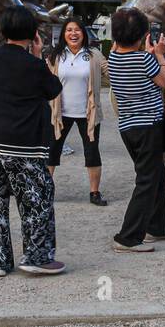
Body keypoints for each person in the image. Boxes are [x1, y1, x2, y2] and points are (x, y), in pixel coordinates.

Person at [0, 6, 65, 275]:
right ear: (33, 33)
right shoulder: (33, 66)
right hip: (21, 143)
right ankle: (37, 257)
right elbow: (53, 89)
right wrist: (38, 56)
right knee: (36, 200)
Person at [106, 6, 165, 253]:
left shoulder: (113, 57)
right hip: (148, 126)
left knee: (155, 174)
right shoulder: (145, 59)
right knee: (147, 179)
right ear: (142, 34)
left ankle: (158, 226)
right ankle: (128, 236)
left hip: (128, 126)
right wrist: (160, 55)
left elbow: (119, 46)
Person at [46, 17, 109, 206]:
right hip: (60, 113)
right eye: (69, 30)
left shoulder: (94, 55)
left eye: (77, 30)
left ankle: (94, 193)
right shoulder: (55, 56)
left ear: (84, 33)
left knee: (92, 153)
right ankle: (46, 191)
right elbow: (45, 80)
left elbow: (111, 72)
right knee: (51, 153)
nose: (73, 33)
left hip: (87, 113)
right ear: (63, 34)